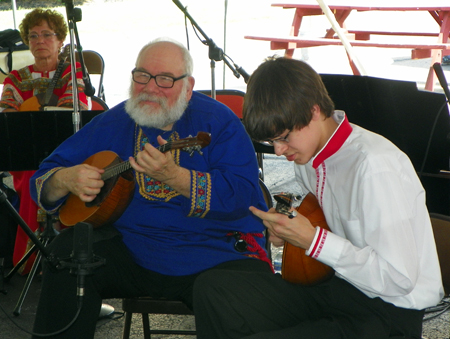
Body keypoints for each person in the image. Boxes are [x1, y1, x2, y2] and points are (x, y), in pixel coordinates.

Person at [29, 37, 272, 338]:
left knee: (246, 301)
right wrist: (65, 179)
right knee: (65, 253)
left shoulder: (218, 122)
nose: (150, 87)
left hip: (211, 254)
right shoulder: (117, 120)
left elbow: (245, 195)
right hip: (134, 251)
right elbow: (44, 177)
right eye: (142, 75)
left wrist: (176, 177)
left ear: (188, 85)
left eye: (165, 79)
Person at [193, 56, 444, 339]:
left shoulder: (374, 166)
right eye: (270, 142)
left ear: (314, 111)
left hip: (388, 314)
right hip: (339, 288)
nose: (278, 151)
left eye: (284, 137)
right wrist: (287, 226)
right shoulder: (309, 155)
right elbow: (316, 208)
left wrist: (312, 241)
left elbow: (400, 280)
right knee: (213, 289)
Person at [0, 8, 88, 275]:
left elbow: (72, 112)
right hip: (27, 153)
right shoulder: (15, 77)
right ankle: (31, 261)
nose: (39, 40)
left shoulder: (71, 73)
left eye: (47, 34)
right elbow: (7, 117)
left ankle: (65, 255)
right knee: (30, 176)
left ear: (60, 40)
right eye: (33, 35)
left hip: (66, 151)